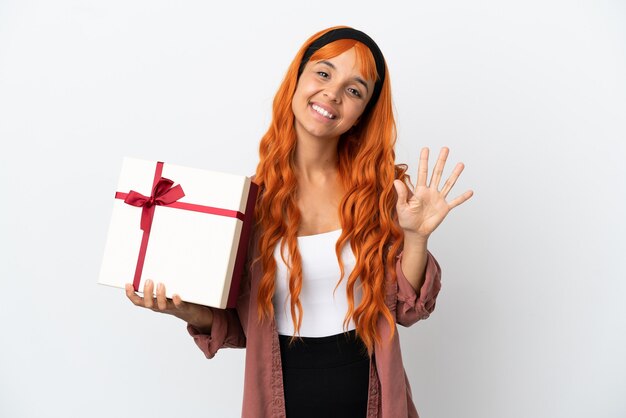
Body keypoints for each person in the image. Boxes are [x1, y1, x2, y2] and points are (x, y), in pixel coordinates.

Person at [125, 26, 473, 418]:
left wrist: (416, 237)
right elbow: (241, 329)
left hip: (371, 402)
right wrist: (183, 309)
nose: (332, 93)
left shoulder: (383, 193)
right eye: (323, 73)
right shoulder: (248, 204)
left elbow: (408, 311)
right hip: (281, 402)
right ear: (297, 79)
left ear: (362, 114)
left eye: (354, 90)